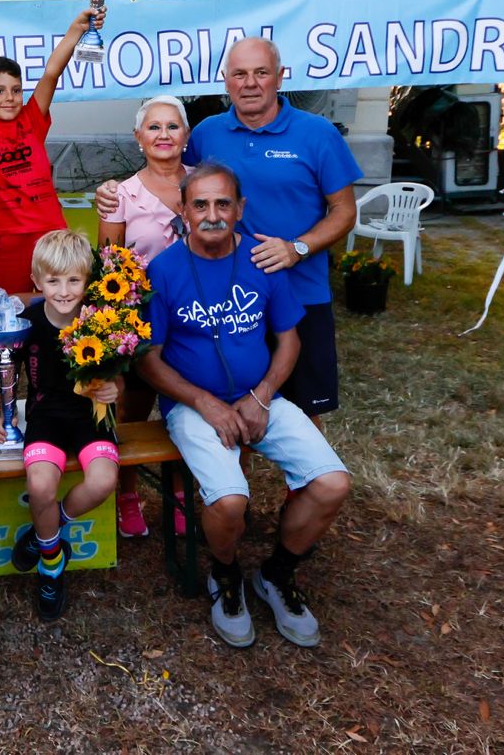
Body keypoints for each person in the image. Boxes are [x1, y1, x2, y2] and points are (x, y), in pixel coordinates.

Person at [138, 163, 351, 649]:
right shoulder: (163, 270)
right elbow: (147, 360)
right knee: (230, 500)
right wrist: (205, 404)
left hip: (261, 397)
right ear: (183, 211)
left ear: (240, 208)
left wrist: (263, 395)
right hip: (193, 407)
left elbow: (290, 340)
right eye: (200, 205)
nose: (212, 214)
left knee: (332, 483)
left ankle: (276, 574)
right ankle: (226, 574)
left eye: (223, 203)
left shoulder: (261, 260)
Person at [98, 38, 360, 425]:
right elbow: (170, 173)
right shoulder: (207, 134)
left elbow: (345, 210)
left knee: (303, 412)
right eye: (240, 74)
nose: (250, 83)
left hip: (301, 290)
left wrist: (297, 249)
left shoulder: (317, 133)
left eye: (261, 73)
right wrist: (114, 190)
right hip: (224, 301)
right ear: (226, 81)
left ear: (280, 77)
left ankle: (300, 467)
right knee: (215, 402)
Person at [0, 229, 120, 622]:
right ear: (36, 281)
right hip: (46, 416)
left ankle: (46, 529)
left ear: (88, 280)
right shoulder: (26, 322)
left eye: (74, 280)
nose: (64, 291)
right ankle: (51, 564)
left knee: (102, 481)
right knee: (40, 486)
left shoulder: (102, 320)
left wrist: (115, 387)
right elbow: (7, 373)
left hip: (92, 416)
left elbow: (119, 371)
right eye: (53, 281)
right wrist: (3, 414)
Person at [0, 2, 104, 295]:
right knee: (12, 304)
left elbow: (51, 73)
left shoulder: (32, 119)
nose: (10, 98)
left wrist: (76, 29)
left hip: (49, 229)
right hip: (7, 236)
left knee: (60, 297)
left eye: (16, 90)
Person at [96, 93, 190, 536]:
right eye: (154, 126)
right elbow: (110, 266)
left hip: (197, 320)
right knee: (133, 412)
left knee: (187, 411)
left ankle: (181, 495)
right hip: (141, 322)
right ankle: (128, 496)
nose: (163, 134)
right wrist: (117, 332)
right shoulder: (120, 194)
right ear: (138, 137)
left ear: (186, 135)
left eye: (172, 126)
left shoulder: (205, 185)